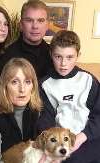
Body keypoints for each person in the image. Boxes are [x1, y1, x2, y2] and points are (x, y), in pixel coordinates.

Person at [38, 30, 100, 163]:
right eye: (58, 57)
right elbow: (45, 120)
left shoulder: (89, 80)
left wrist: (82, 137)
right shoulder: (44, 85)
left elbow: (98, 116)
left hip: (88, 138)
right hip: (61, 144)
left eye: (70, 57)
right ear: (51, 54)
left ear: (78, 55)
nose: (63, 64)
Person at [0, 58, 43, 163]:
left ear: (33, 86)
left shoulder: (35, 111)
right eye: (14, 82)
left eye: (27, 82)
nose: (22, 89)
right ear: (4, 86)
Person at [0, 0, 53, 90]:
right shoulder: (7, 56)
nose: (35, 26)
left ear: (47, 25)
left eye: (40, 21)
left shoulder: (54, 55)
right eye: (29, 20)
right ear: (21, 25)